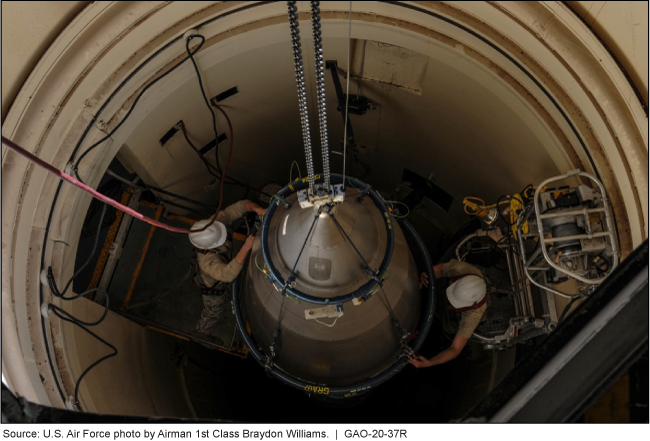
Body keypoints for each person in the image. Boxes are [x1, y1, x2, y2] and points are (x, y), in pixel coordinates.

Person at [188, 199, 266, 346]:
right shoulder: (208, 263)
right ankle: (201, 333)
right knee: (214, 313)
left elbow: (238, 207)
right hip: (213, 286)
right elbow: (228, 274)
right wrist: (246, 247)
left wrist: (257, 209)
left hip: (221, 271)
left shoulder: (212, 224)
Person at [409, 259, 487, 368]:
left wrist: (430, 362)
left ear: (468, 306)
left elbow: (455, 349)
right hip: (439, 289)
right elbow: (441, 269)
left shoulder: (472, 316)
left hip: (443, 314)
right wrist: (427, 275)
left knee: (447, 327)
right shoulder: (463, 270)